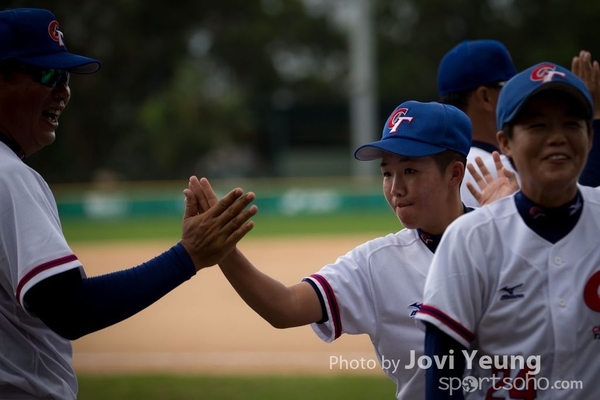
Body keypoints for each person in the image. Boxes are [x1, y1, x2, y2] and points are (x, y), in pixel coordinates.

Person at [0, 8, 257, 399]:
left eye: (66, 78)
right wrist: (186, 256)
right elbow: (70, 308)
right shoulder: (8, 174)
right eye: (48, 74)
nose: (64, 91)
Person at [186, 100, 474, 399]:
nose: (395, 188)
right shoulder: (377, 263)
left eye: (410, 170)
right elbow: (285, 307)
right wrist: (225, 251)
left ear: (454, 174)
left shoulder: (505, 239)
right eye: (387, 173)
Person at [417, 62, 600, 399]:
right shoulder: (470, 239)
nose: (557, 137)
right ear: (506, 142)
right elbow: (443, 379)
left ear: (590, 136)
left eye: (572, 124)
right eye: (538, 125)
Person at [438, 41, 600, 206]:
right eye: (507, 86)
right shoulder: (498, 167)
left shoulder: (441, 166)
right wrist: (596, 117)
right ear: (485, 97)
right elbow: (583, 211)